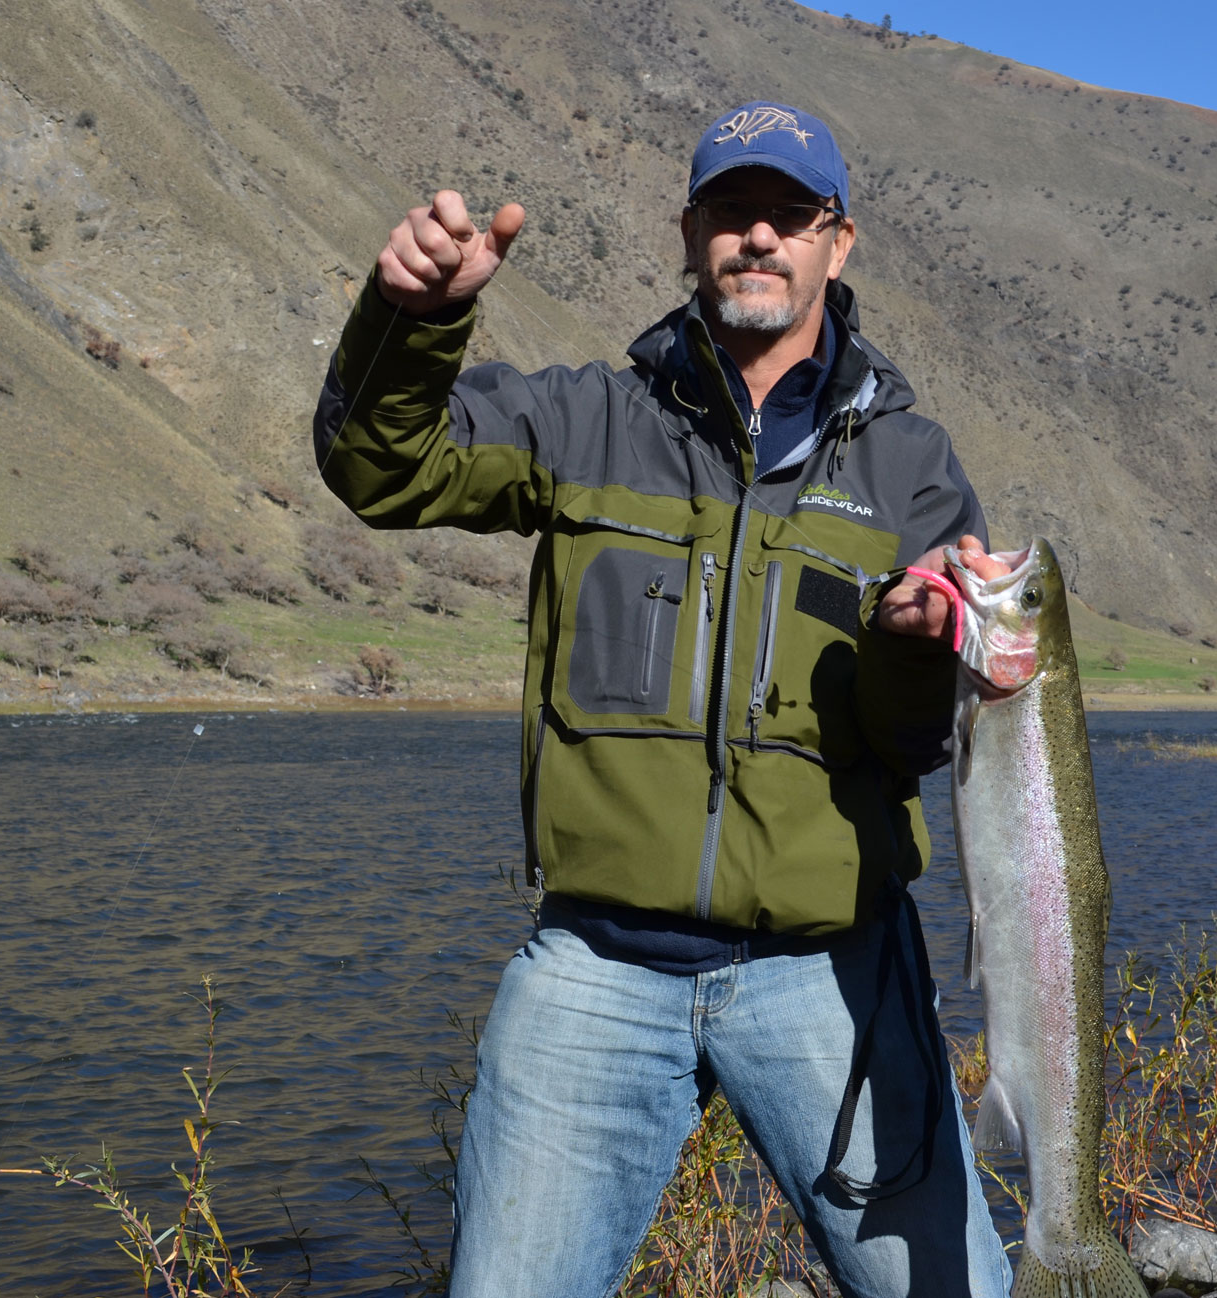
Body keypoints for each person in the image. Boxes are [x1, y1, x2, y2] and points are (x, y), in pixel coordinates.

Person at [312, 100, 1011, 1298]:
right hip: (596, 965)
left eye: (791, 214)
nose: (759, 236)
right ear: (690, 234)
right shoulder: (588, 419)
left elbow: (917, 740)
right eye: (731, 211)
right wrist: (411, 321)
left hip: (832, 969)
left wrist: (915, 647)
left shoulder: (912, 467)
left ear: (838, 241)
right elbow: (384, 469)